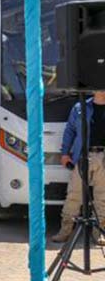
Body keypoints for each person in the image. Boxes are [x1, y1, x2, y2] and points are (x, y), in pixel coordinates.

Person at [56, 90, 105, 244]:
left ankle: (100, 233)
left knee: (103, 197)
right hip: (82, 156)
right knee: (74, 195)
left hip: (103, 158)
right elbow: (70, 131)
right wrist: (65, 153)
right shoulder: (80, 108)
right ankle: (65, 231)